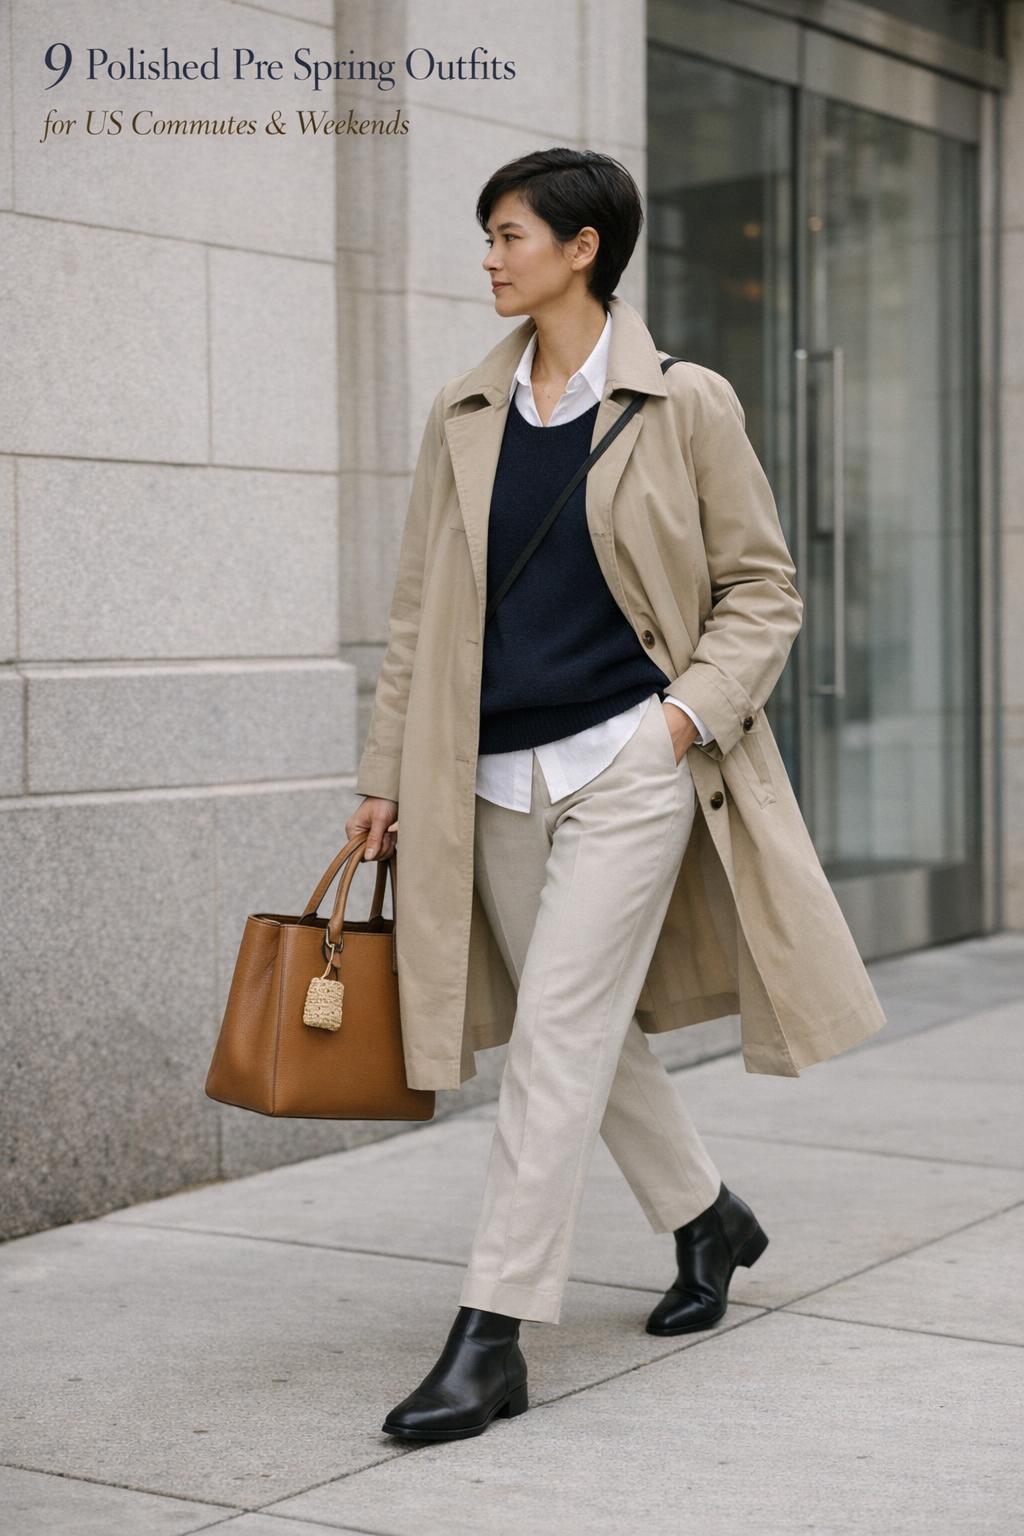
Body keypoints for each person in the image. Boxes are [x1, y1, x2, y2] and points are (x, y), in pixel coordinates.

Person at [347, 148, 790, 1442]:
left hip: (630, 767)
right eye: (489, 235)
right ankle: (711, 1217)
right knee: (586, 1034)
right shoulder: (465, 411)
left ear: (582, 248)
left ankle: (492, 1336)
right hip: (489, 782)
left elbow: (761, 587)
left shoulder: (683, 403)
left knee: (552, 1043)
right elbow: (419, 612)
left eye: (509, 233)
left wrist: (681, 719)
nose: (490, 256)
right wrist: (383, 777)